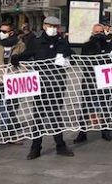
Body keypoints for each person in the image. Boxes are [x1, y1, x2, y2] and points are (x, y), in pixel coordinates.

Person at [11, 16, 76, 160]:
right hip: (40, 84)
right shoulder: (37, 41)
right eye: (50, 25)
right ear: (44, 26)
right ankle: (35, 148)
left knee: (55, 116)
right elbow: (28, 54)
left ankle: (60, 146)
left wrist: (68, 54)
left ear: (59, 28)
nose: (52, 28)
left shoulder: (62, 41)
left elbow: (72, 56)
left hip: (57, 84)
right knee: (38, 117)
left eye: (55, 26)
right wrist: (17, 58)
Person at [0, 22, 27, 143]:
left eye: (5, 31)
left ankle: (11, 135)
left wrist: (20, 75)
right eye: (1, 31)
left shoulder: (20, 45)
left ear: (11, 32)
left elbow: (24, 63)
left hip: (13, 80)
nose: (2, 33)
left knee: (12, 109)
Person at [74, 24, 112, 144]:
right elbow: (84, 60)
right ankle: (82, 132)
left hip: (104, 79)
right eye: (96, 32)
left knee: (105, 106)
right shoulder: (87, 45)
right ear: (92, 32)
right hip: (89, 79)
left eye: (100, 32)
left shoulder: (109, 45)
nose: (98, 34)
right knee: (86, 107)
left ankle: (105, 131)